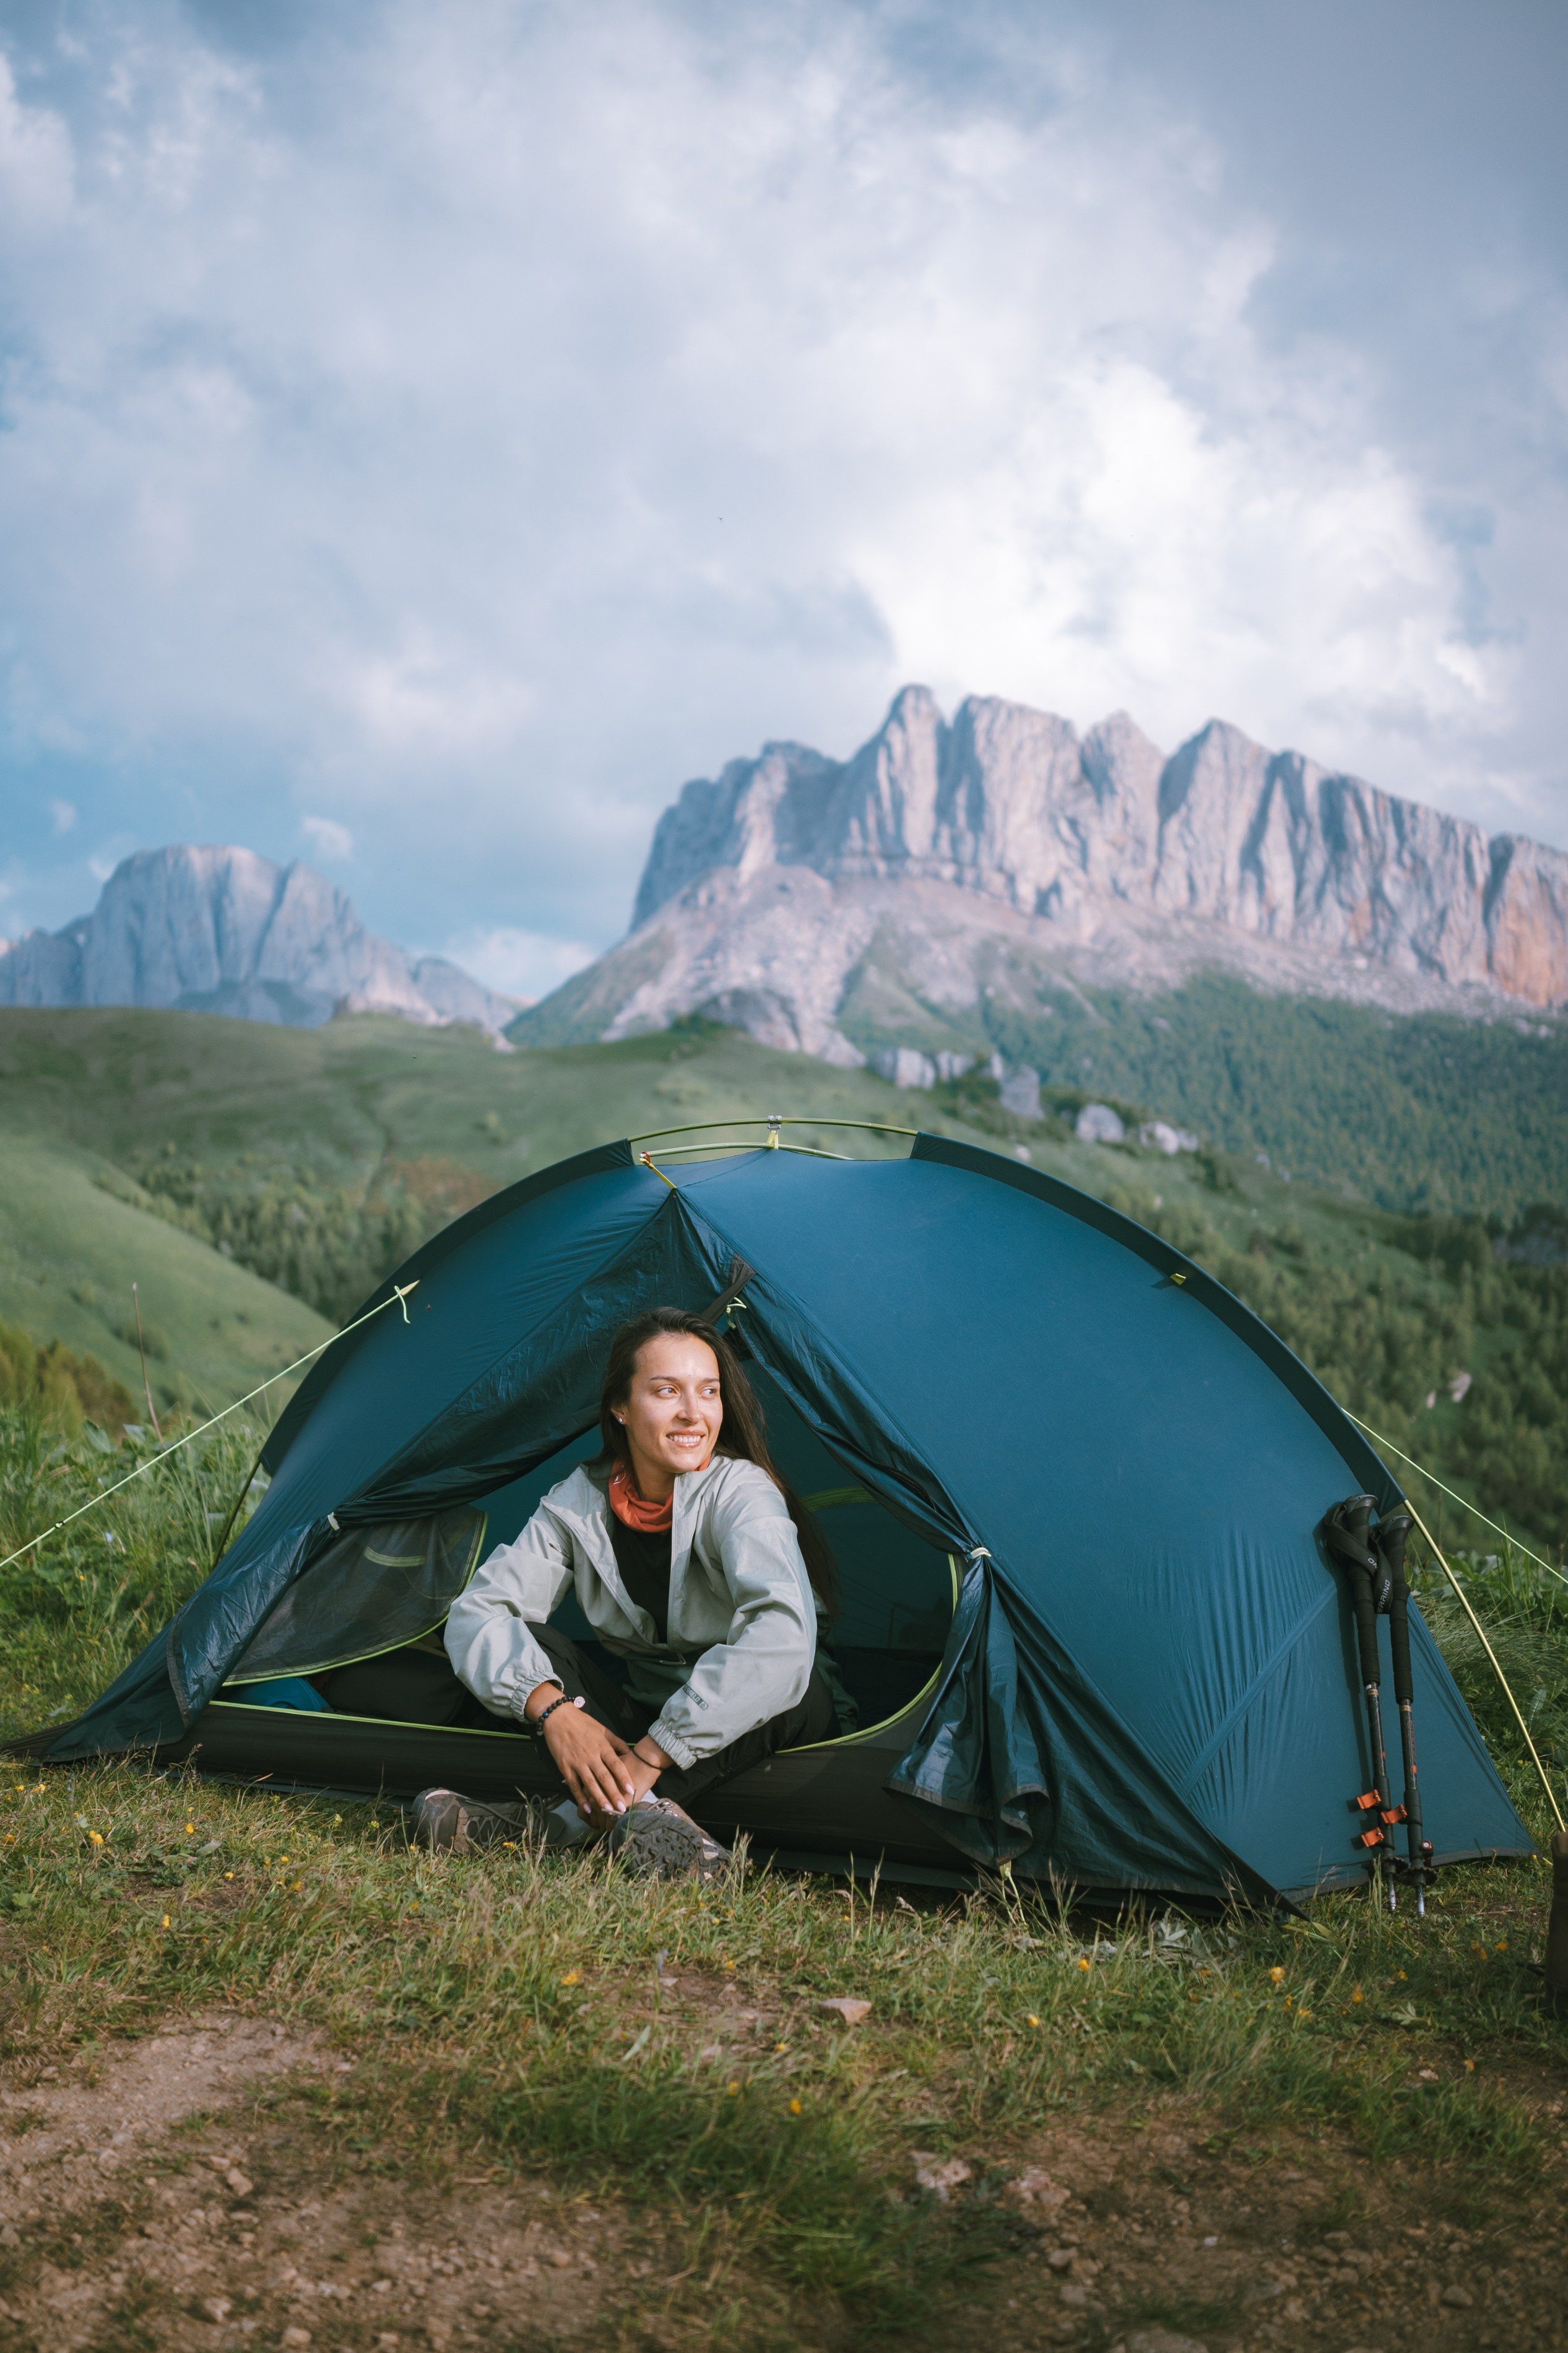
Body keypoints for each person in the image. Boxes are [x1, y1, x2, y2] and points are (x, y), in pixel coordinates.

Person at [409, 1305, 851, 1877]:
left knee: (799, 1680)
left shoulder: (742, 1491)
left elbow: (783, 1639)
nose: (694, 1413)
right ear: (619, 1407)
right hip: (644, 1714)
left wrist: (654, 1752)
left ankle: (551, 1828)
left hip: (769, 1719)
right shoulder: (579, 1500)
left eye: (709, 1391)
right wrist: (555, 1714)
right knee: (533, 1645)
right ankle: (665, 1839)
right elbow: (480, 1613)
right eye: (666, 1390)